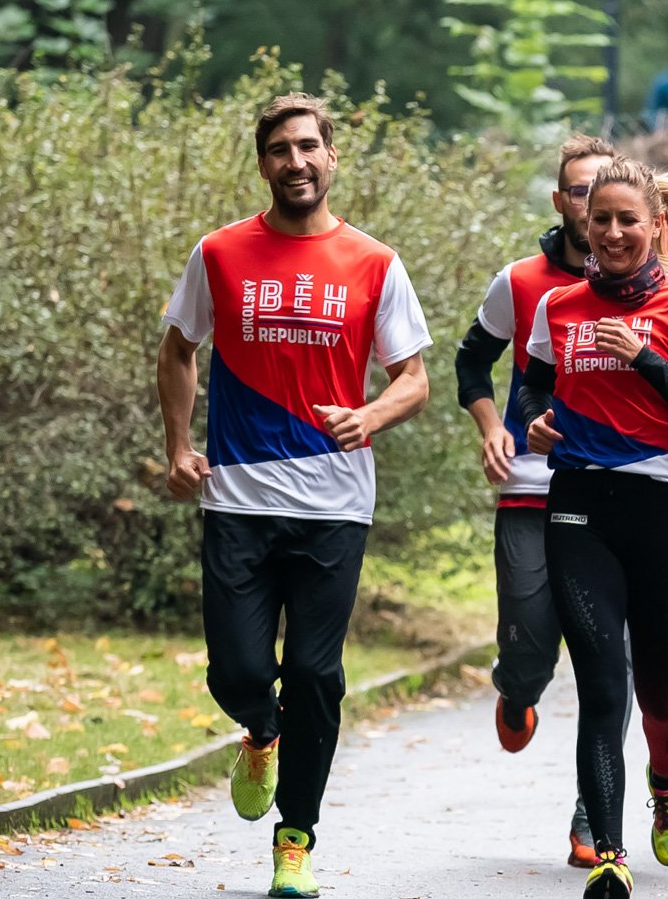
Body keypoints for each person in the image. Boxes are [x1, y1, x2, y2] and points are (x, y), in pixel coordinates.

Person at [156, 93, 432, 899]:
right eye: (280, 149)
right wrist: (178, 448)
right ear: (262, 163)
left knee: (318, 673)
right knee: (236, 668)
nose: (296, 162)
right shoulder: (220, 254)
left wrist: (371, 414)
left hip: (335, 504)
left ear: (332, 157)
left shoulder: (375, 263)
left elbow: (412, 378)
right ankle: (260, 729)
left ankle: (296, 840)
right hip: (237, 495)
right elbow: (177, 351)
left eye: (309, 146)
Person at [519, 159, 668, 898]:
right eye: (600, 219)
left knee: (659, 693)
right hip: (581, 507)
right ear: (585, 223)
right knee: (601, 687)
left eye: (627, 220)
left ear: (654, 227)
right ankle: (610, 853)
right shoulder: (561, 308)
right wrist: (535, 423)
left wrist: (644, 359)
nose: (611, 232)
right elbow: (532, 388)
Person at [454, 134, 613, 865]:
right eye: (578, 192)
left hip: (614, 489)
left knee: (606, 658)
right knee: (530, 643)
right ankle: (517, 687)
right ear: (560, 201)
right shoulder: (519, 281)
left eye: (603, 192)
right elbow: (469, 360)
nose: (592, 207)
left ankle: (594, 813)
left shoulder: (651, 282)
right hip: (529, 487)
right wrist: (493, 427)